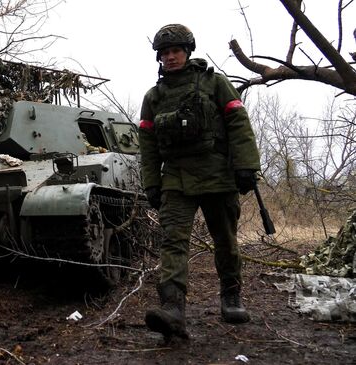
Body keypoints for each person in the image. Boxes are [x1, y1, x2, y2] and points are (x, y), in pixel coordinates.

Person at [137, 24, 261, 340]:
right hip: (175, 179)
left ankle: (231, 297)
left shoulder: (214, 83)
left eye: (175, 51)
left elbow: (238, 122)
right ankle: (173, 308)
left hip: (217, 174)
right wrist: (151, 183)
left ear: (187, 52)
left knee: (226, 240)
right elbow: (148, 145)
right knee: (173, 241)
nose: (170, 57)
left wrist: (246, 165)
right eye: (164, 53)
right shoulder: (154, 97)